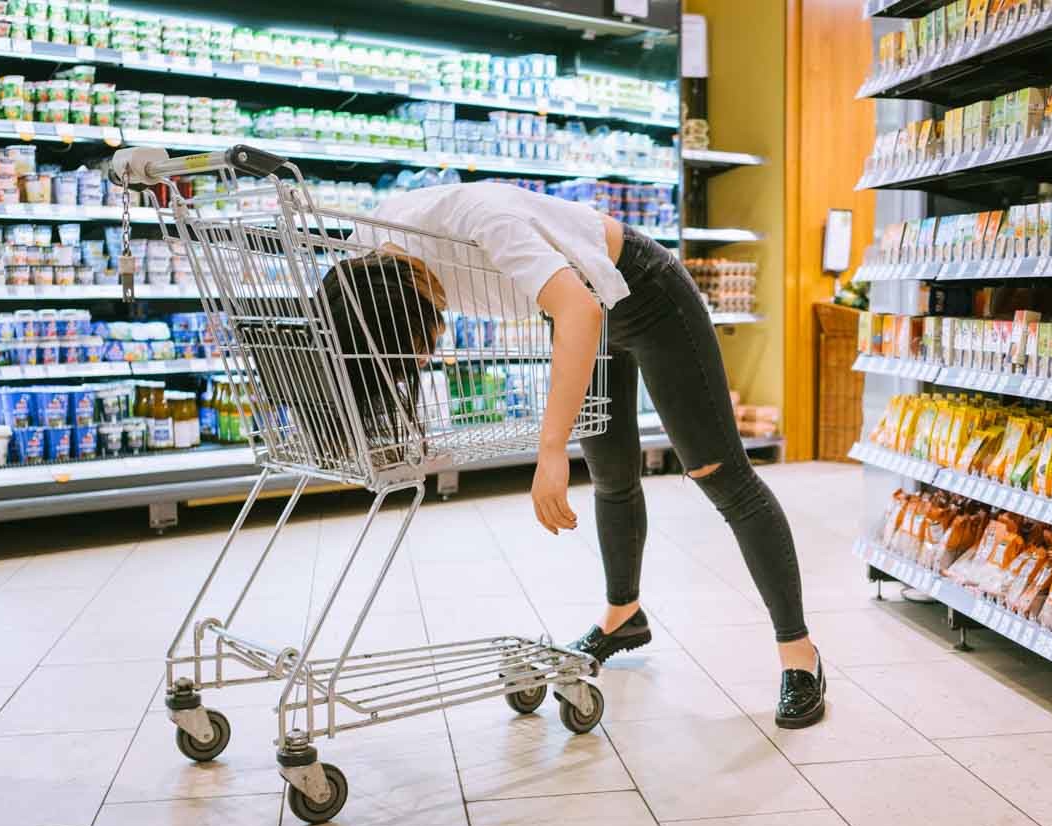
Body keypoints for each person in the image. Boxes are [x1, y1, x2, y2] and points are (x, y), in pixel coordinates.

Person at [329, 180, 825, 728]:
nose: (431, 349)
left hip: (642, 293)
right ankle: (623, 617)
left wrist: (550, 453)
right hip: (575, 310)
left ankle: (800, 656)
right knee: (611, 473)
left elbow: (583, 312)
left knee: (719, 473)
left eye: (425, 340)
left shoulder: (485, 221)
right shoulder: (368, 261)